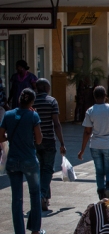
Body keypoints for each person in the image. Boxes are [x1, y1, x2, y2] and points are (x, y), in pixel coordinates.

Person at [0, 88, 44, 234]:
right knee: (35, 194)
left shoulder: (8, 115)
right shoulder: (33, 115)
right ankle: (35, 230)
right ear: (32, 102)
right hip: (29, 160)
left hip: (13, 161)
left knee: (16, 199)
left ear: (19, 99)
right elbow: (39, 140)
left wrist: (11, 137)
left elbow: (1, 136)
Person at [77, 86, 109, 200]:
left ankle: (101, 194)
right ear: (105, 96)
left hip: (95, 145)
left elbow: (87, 132)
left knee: (99, 172)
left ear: (94, 97)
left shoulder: (90, 111)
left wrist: (82, 150)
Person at [33, 79, 66, 212]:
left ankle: (45, 198)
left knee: (40, 169)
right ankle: (41, 196)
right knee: (48, 169)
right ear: (46, 88)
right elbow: (56, 123)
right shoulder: (52, 101)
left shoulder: (32, 101)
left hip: (34, 141)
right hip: (48, 140)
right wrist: (62, 142)